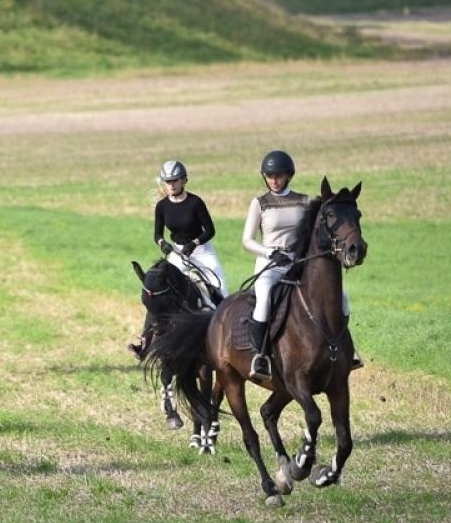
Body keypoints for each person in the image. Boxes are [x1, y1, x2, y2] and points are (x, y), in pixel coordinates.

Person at [241, 149, 363, 381]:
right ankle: (260, 356)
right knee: (265, 297)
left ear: (289, 176)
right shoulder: (259, 203)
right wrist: (269, 252)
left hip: (299, 265)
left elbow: (320, 232)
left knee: (342, 298)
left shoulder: (305, 201)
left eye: (279, 175)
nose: (274, 180)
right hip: (271, 266)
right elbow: (246, 241)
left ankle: (347, 349)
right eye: (270, 175)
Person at [153, 160, 226, 305]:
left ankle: (221, 313)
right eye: (168, 182)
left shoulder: (196, 202)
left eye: (175, 180)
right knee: (165, 288)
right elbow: (157, 235)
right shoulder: (162, 206)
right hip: (178, 252)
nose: (171, 185)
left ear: (184, 180)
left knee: (221, 286)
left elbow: (210, 231)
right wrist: (163, 244)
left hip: (202, 250)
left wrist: (194, 243)